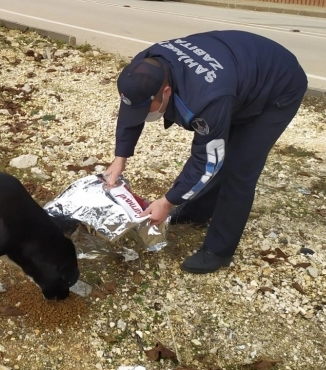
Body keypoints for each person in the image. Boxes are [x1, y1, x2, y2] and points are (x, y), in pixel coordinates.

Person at [103, 30, 308, 274]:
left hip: (277, 85)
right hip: (238, 69)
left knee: (238, 167)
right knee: (223, 146)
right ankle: (197, 212)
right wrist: (120, 158)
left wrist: (168, 202)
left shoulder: (206, 100)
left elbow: (207, 160)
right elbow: (132, 109)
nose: (143, 117)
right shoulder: (144, 66)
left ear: (166, 91)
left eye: (147, 109)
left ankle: (218, 250)